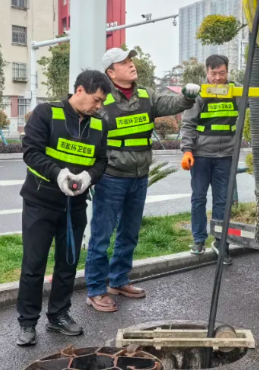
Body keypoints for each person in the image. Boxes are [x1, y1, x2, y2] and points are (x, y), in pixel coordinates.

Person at [84, 47, 200, 312]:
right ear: (111, 72)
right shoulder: (102, 99)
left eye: (131, 60)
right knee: (101, 236)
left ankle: (119, 280)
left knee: (129, 233)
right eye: (124, 63)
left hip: (139, 175)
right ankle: (95, 289)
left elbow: (172, 104)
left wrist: (186, 96)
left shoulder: (146, 94)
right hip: (111, 176)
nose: (132, 65)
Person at [15, 70, 111, 347]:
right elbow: (31, 152)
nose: (99, 106)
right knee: (34, 264)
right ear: (79, 91)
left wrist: (88, 177)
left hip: (74, 205)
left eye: (102, 102)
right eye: (96, 100)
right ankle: (27, 322)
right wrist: (58, 174)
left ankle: (58, 315)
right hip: (40, 202)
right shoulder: (47, 113)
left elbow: (101, 161)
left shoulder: (98, 125)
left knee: (68, 263)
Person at [179, 54, 237, 265]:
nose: (218, 78)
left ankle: (222, 242)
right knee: (199, 198)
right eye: (213, 74)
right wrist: (187, 150)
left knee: (223, 200)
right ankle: (198, 240)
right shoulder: (200, 93)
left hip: (226, 156)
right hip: (202, 156)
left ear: (227, 71)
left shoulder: (235, 91)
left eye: (222, 73)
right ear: (207, 72)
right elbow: (188, 124)